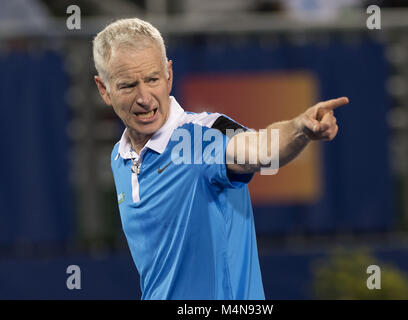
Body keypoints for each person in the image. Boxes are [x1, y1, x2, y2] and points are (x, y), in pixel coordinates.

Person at [93, 18, 348, 300]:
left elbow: (261, 149)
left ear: (169, 75)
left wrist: (300, 129)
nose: (144, 97)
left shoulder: (208, 132)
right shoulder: (119, 157)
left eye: (152, 79)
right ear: (104, 90)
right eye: (128, 86)